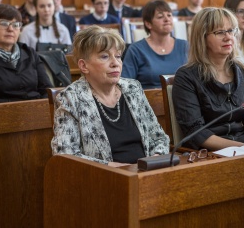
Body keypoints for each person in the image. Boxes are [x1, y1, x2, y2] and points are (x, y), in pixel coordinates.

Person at [51, 25, 169, 166]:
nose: (115, 63)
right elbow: (65, 154)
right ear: (84, 66)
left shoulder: (133, 88)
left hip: (146, 174)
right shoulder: (71, 98)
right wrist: (115, 168)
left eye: (118, 56)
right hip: (104, 180)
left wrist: (153, 161)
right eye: (105, 56)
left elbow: (159, 138)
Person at [172, 7, 244, 151]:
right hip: (209, 154)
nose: (228, 37)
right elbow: (196, 132)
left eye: (231, 30)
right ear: (202, 37)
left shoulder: (243, 72)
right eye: (220, 32)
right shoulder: (186, 77)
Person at [0, 4, 52, 102]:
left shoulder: (30, 53)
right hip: (2, 115)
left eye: (16, 25)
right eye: (4, 24)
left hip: (37, 112)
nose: (10, 29)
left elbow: (46, 90)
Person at [121, 0, 189, 89]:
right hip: (147, 100)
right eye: (160, 16)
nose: (167, 19)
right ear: (148, 24)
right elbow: (125, 85)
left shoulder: (185, 46)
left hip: (182, 100)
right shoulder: (136, 50)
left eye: (169, 15)